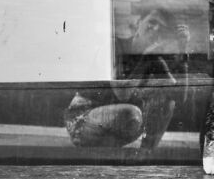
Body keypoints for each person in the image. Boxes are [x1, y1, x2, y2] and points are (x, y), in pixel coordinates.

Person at [65, 8, 189, 150]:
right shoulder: (115, 46)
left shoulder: (155, 59)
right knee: (131, 113)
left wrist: (183, 50)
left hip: (123, 122)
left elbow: (179, 96)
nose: (155, 29)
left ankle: (146, 154)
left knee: (167, 101)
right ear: (138, 24)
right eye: (152, 22)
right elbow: (122, 94)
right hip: (83, 121)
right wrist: (146, 58)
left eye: (161, 28)